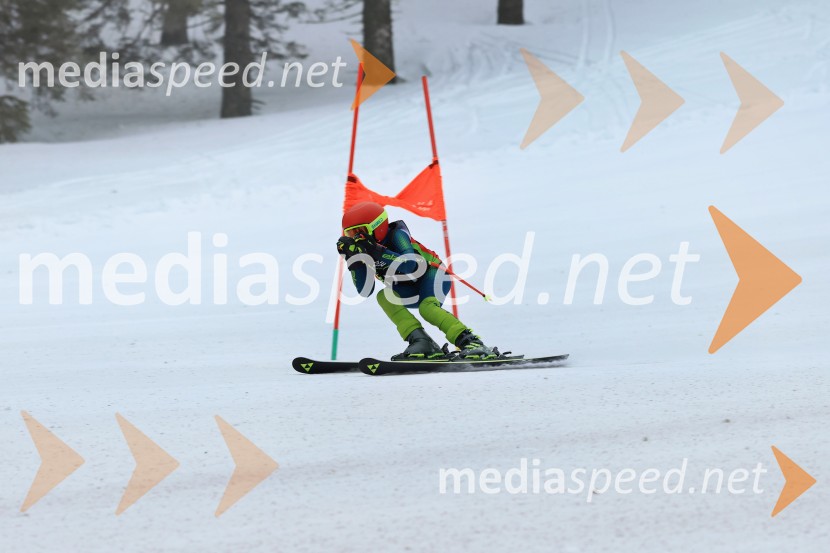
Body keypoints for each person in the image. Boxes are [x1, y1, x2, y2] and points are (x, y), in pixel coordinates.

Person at [336, 201, 497, 361]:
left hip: (433, 274)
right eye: (351, 234)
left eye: (361, 231)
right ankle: (422, 342)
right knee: (384, 297)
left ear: (378, 227)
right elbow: (365, 291)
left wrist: (377, 251)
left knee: (427, 308)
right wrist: (354, 261)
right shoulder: (365, 250)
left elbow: (410, 265)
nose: (357, 238)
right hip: (406, 287)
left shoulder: (397, 235)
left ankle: (471, 342)